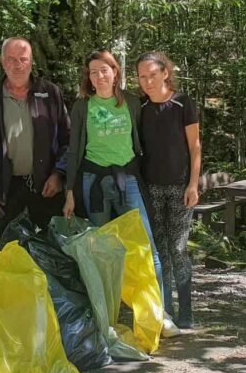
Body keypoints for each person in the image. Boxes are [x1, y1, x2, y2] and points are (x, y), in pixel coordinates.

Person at [63, 49, 178, 336]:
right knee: (100, 253)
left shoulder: (132, 103)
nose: (99, 76)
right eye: (93, 72)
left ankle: (158, 314)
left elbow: (152, 131)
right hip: (94, 182)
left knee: (146, 248)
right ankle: (106, 319)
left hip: (128, 180)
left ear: (115, 72)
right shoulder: (81, 107)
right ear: (88, 78)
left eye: (105, 69)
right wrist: (69, 191)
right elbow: (74, 150)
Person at [0, 37, 71, 236]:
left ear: (31, 61)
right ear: (2, 62)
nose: (18, 65)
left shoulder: (50, 93)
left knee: (54, 251)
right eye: (11, 59)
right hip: (7, 190)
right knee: (11, 253)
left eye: (23, 59)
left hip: (47, 185)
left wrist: (59, 174)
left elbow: (67, 139)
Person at [137, 52, 201, 329]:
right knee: (159, 249)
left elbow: (195, 146)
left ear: (165, 73)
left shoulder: (183, 103)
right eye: (142, 77)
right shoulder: (140, 108)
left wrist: (194, 184)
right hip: (150, 187)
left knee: (178, 248)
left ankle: (186, 310)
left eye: (153, 74)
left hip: (180, 187)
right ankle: (165, 311)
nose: (148, 81)